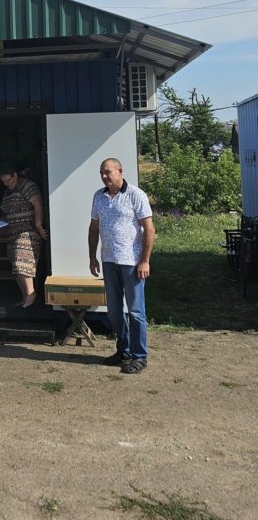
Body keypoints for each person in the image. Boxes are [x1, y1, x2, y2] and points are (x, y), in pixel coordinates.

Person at [88, 158, 155, 374]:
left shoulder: (136, 195)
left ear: (120, 171)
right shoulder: (99, 196)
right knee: (114, 312)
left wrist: (145, 260)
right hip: (109, 260)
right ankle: (123, 350)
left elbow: (149, 230)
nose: (105, 176)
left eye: (108, 172)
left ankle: (139, 356)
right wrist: (92, 256)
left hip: (132, 262)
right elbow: (93, 227)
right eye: (101, 173)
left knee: (135, 312)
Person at [0, 162, 47, 308]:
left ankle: (31, 295)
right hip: (12, 232)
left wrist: (38, 224)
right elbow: (7, 211)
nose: (7, 184)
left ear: (15, 175)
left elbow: (38, 203)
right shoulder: (7, 192)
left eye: (9, 180)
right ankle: (25, 297)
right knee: (15, 265)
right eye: (4, 182)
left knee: (22, 262)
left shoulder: (27, 186)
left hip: (27, 231)